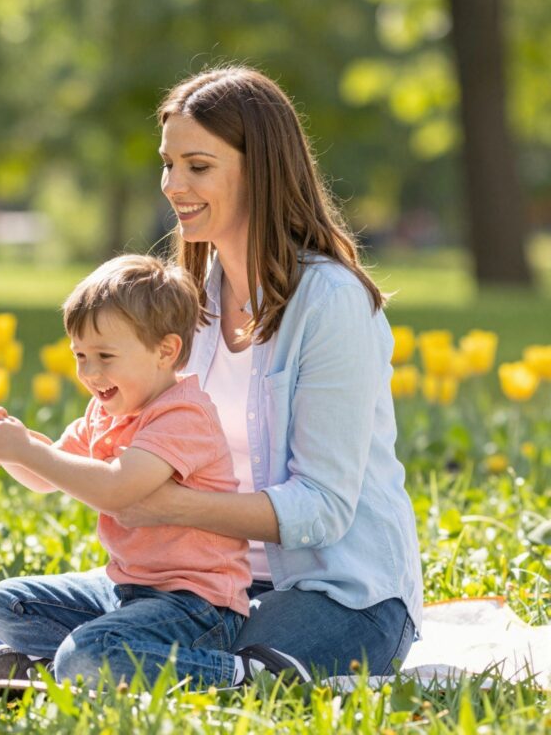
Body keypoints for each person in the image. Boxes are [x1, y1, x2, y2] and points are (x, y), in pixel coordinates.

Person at [105, 66, 423, 678]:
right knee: (21, 607)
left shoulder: (330, 301)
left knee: (112, 651)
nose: (173, 185)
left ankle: (212, 668)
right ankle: (126, 656)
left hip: (338, 595)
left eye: (198, 166)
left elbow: (322, 508)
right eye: (168, 164)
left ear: (262, 169)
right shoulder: (192, 299)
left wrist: (168, 505)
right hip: (208, 581)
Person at [0, 255, 307, 688]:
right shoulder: (107, 410)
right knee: (8, 604)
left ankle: (244, 674)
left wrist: (27, 450)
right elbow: (48, 473)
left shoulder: (183, 415)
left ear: (165, 351)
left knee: (89, 654)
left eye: (105, 356)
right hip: (127, 590)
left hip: (197, 606)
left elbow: (117, 488)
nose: (90, 372)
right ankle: (80, 667)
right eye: (80, 355)